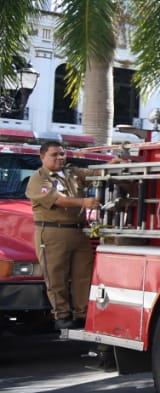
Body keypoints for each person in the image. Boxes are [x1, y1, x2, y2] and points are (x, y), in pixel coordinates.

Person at [26, 141, 101, 330]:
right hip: (53, 233)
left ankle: (81, 313)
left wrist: (112, 166)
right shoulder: (39, 179)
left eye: (62, 154)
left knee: (82, 275)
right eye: (55, 155)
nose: (60, 157)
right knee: (56, 276)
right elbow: (58, 200)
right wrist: (83, 201)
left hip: (78, 231)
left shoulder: (71, 173)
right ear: (42, 157)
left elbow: (93, 174)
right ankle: (62, 315)